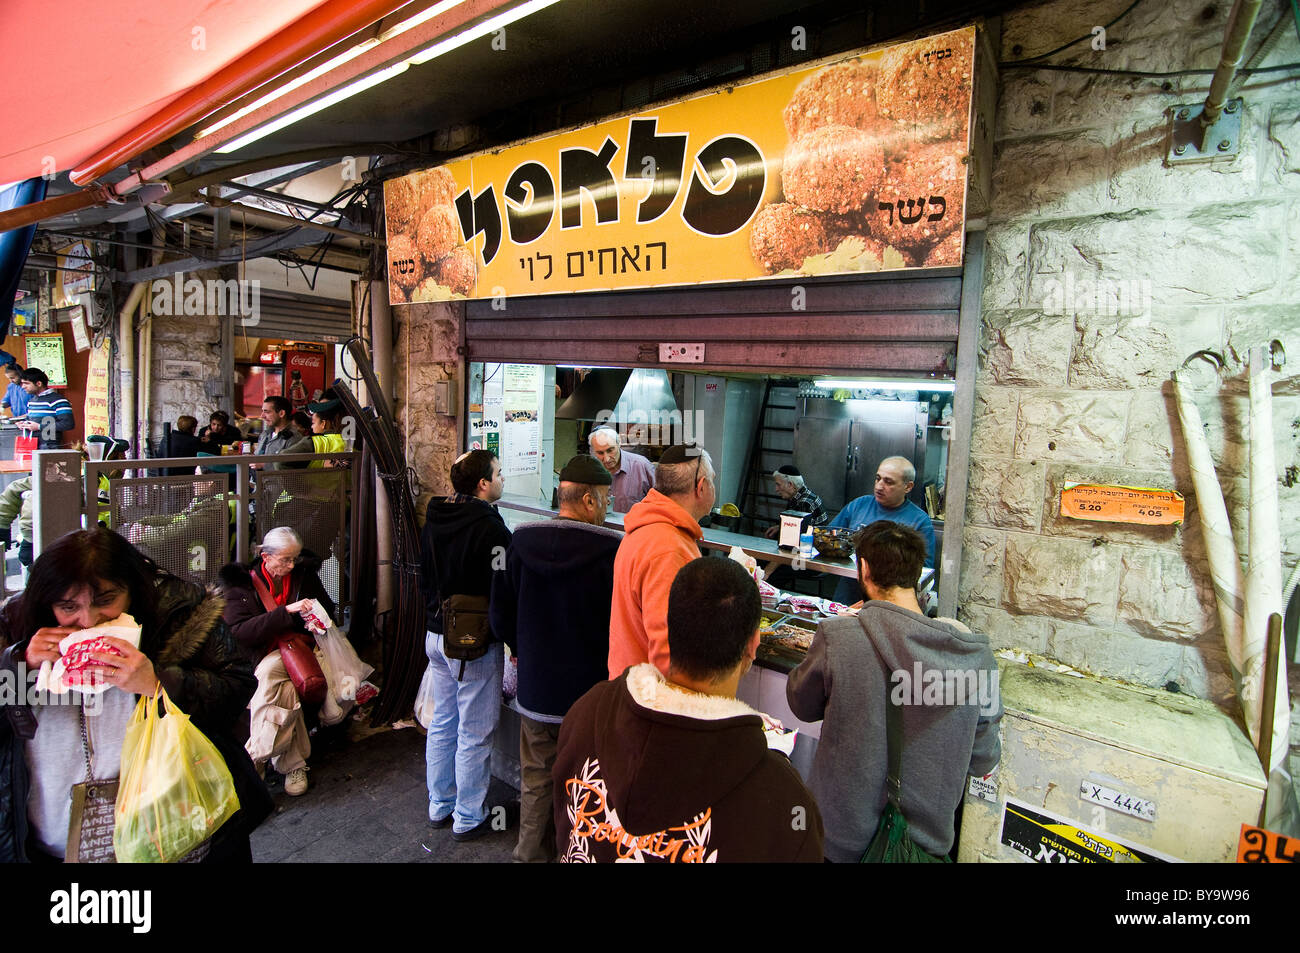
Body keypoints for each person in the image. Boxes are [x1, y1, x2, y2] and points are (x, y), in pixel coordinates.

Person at [0, 528, 269, 862]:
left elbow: (238, 690)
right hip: (47, 841)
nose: (88, 620)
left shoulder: (179, 612)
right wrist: (17, 666)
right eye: (68, 607)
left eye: (106, 600)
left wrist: (159, 683)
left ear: (133, 590)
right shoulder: (14, 625)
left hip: (172, 831)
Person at [554, 557, 824, 863]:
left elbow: (565, 826)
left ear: (670, 629)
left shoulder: (587, 712)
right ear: (753, 645)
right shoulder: (784, 802)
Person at [786, 521, 1002, 862]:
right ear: (915, 575)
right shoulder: (977, 659)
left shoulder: (840, 637)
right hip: (922, 847)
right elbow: (984, 759)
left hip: (838, 839)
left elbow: (800, 703)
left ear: (864, 568)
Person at [490, 454, 620, 863]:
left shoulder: (519, 542)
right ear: (585, 500)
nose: (607, 508)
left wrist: (523, 650)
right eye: (604, 500)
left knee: (537, 780)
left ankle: (530, 854)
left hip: (537, 690)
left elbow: (499, 615)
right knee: (586, 785)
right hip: (590, 698)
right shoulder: (612, 552)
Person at [421, 449, 512, 840]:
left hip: (436, 634)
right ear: (483, 484)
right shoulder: (489, 527)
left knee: (443, 721)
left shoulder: (436, 514)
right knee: (474, 730)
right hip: (471, 643)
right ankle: (468, 815)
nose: (503, 479)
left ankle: (439, 803)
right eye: (499, 473)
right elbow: (502, 581)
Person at [217, 526, 336, 797]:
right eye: (285, 559)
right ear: (264, 556)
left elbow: (327, 608)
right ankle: (293, 763)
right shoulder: (242, 585)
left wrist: (313, 616)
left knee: (270, 676)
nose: (291, 565)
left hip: (300, 649)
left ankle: (254, 757)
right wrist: (286, 612)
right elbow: (239, 632)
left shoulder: (303, 575)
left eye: (294, 558)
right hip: (260, 655)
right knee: (283, 688)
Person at [607, 443, 714, 678]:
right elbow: (668, 652)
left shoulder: (649, 527)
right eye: (713, 480)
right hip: (648, 700)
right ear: (701, 487)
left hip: (628, 685)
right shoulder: (668, 548)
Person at [827, 455, 936, 604]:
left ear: (908, 487)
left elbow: (924, 572)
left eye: (888, 482)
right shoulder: (859, 505)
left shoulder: (919, 521)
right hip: (847, 598)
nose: (879, 486)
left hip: (888, 605)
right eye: (878, 479)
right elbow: (828, 537)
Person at [588, 426, 655, 513]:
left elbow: (662, 502)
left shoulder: (641, 466)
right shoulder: (590, 469)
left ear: (619, 443)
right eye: (600, 453)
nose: (607, 459)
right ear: (593, 451)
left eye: (610, 450)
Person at [763, 465, 829, 539]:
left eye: (778, 485)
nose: (776, 489)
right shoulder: (799, 495)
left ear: (790, 485)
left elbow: (798, 536)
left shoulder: (804, 503)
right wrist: (779, 527)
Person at [17, 368, 74, 449]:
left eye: (26, 383)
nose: (23, 387)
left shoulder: (58, 400)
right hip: (33, 445)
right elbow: (33, 421)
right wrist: (24, 424)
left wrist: (39, 426)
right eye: (22, 383)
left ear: (39, 383)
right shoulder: (31, 401)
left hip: (50, 447)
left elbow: (68, 424)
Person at [254, 395, 297, 466]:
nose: (262, 416)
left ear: (281, 413)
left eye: (267, 412)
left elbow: (291, 468)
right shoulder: (265, 434)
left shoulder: (293, 438)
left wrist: (264, 466)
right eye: (262, 411)